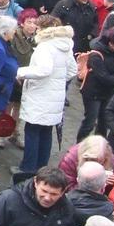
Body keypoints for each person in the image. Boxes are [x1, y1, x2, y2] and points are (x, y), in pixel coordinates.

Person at [15, 18, 76, 172]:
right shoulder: (66, 46)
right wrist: (57, 81)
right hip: (55, 97)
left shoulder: (45, 47)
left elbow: (43, 70)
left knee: (32, 131)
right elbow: (71, 71)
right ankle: (41, 168)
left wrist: (21, 72)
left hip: (40, 95)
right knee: (46, 132)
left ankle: (27, 169)